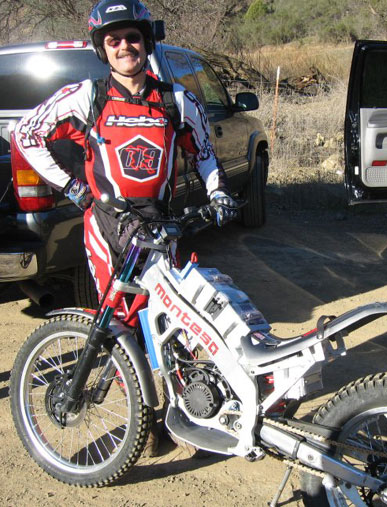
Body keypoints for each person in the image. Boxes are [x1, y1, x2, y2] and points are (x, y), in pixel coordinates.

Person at [14, 0, 238, 455]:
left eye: (132, 38)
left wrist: (218, 192)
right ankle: (144, 418)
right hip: (107, 227)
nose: (124, 47)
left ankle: (186, 412)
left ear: (145, 41)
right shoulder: (86, 97)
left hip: (160, 226)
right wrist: (73, 187)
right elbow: (25, 133)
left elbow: (204, 153)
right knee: (119, 324)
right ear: (102, 48)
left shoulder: (176, 100)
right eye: (113, 40)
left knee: (176, 322)